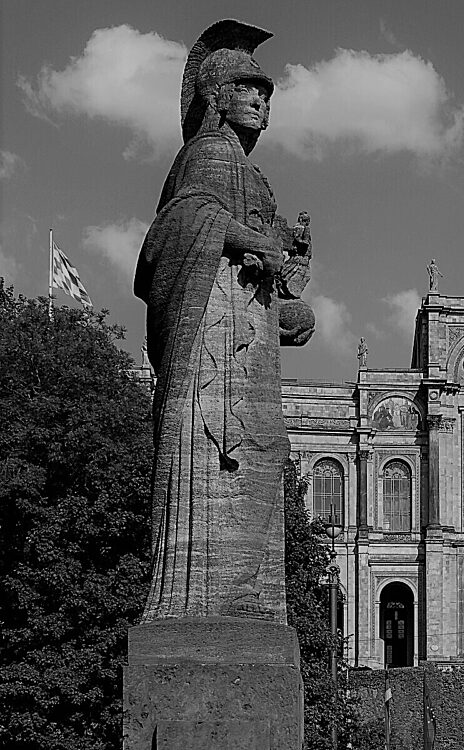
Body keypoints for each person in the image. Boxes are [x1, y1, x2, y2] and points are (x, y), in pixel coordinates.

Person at [133, 20, 313, 623]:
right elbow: (176, 229)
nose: (262, 99)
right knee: (217, 464)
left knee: (257, 470)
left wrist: (286, 307)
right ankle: (205, 603)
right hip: (214, 353)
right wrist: (247, 239)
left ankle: (245, 599)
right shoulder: (207, 155)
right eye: (248, 87)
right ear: (216, 97)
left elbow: (252, 270)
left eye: (266, 91)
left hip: (247, 346)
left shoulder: (250, 172)